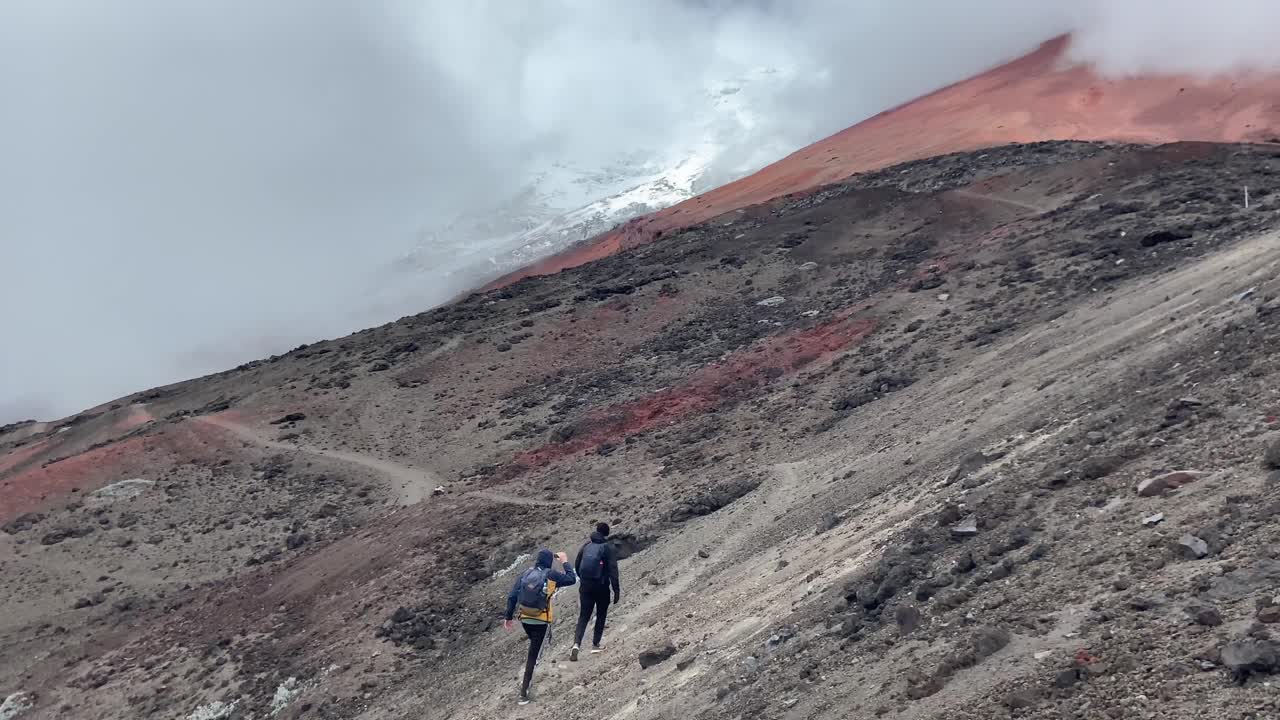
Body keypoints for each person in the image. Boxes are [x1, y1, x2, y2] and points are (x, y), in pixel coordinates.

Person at [504, 548, 576, 705]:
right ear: (549, 561)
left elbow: (512, 596)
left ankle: (527, 680)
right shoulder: (551, 575)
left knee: (534, 647)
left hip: (525, 620)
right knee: (534, 656)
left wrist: (508, 617)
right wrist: (564, 561)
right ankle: (524, 692)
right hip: (541, 621)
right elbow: (572, 579)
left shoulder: (525, 573)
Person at [570, 522, 621, 661]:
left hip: (586, 586)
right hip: (601, 586)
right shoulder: (607, 548)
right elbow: (613, 570)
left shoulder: (586, 546)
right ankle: (595, 644)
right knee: (601, 614)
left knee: (583, 616)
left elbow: (577, 565)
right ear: (606, 533)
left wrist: (584, 581)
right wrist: (616, 590)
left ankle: (576, 644)